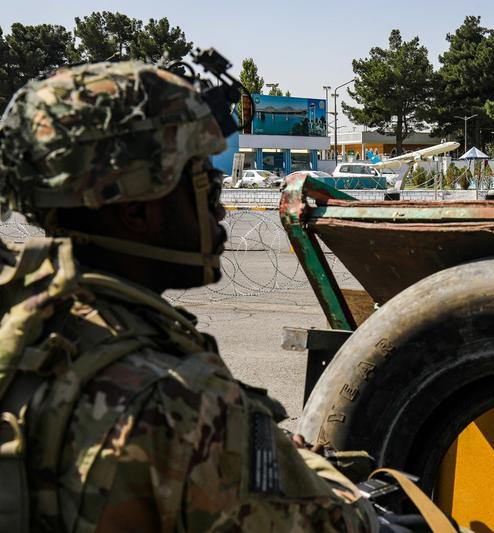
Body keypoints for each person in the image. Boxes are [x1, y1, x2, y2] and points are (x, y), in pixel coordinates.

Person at [0, 61, 379, 532]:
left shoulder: (25, 319)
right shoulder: (176, 399)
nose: (219, 205)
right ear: (138, 211)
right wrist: (313, 470)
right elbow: (338, 523)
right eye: (203, 178)